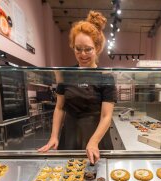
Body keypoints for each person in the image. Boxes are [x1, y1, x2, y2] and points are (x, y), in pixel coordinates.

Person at [38, 11, 116, 164]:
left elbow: (107, 116)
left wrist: (93, 142)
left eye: (88, 49)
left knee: (97, 180)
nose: (83, 54)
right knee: (68, 179)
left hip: (96, 135)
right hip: (70, 133)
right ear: (72, 47)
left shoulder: (106, 76)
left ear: (97, 48)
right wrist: (54, 136)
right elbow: (60, 108)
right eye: (78, 48)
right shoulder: (66, 74)